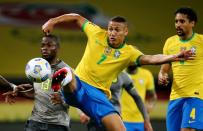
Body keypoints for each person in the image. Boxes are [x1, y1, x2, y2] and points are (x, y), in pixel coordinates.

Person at [42, 13, 194, 131]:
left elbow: (152, 58)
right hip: (79, 85)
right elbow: (76, 17)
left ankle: (61, 85)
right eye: (110, 29)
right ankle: (57, 88)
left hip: (98, 96)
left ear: (125, 31)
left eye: (117, 30)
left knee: (120, 128)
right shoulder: (96, 33)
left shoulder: (129, 52)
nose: (112, 33)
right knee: (67, 72)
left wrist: (174, 56)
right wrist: (53, 21)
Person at [3, 34, 71, 131]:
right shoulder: (38, 68)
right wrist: (18, 92)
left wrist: (64, 99)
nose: (44, 48)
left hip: (57, 124)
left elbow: (77, 96)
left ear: (58, 48)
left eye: (49, 45)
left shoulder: (66, 71)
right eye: (43, 45)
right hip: (35, 122)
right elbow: (38, 93)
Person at [158, 7, 203, 131]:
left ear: (192, 23)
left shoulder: (201, 41)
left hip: (195, 95)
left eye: (182, 21)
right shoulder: (170, 42)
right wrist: (162, 76)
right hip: (175, 96)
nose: (178, 24)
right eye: (176, 21)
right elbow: (164, 69)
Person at [78, 71, 153, 131]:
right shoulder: (94, 73)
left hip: (115, 117)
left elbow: (137, 97)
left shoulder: (123, 76)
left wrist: (146, 120)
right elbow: (80, 91)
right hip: (95, 117)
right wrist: (81, 113)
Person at [121, 65, 157, 131]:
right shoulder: (120, 73)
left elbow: (152, 96)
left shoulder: (146, 74)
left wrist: (150, 106)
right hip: (122, 119)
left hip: (141, 120)